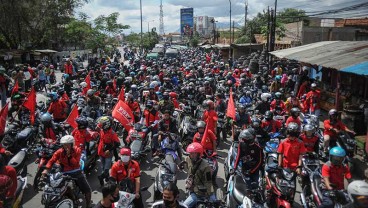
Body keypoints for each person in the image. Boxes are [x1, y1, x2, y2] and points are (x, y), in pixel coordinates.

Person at [42, 135, 92, 207]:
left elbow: (75, 163)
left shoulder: (77, 150)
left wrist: (70, 156)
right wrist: (46, 170)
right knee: (53, 186)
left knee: (87, 190)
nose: (65, 147)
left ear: (72, 144)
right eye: (64, 145)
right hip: (63, 172)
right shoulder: (59, 151)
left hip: (75, 171)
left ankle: (88, 204)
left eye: (67, 145)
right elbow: (52, 160)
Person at [181, 143, 216, 208]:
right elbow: (187, 169)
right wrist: (180, 167)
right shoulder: (188, 159)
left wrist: (207, 195)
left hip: (200, 193)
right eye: (190, 153)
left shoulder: (205, 166)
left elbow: (208, 182)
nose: (191, 155)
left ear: (199, 154)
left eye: (194, 153)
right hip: (191, 187)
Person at [97, 116, 120, 187]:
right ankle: (106, 178)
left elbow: (117, 143)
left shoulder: (112, 133)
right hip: (101, 152)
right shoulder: (102, 131)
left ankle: (101, 178)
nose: (100, 125)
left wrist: (109, 150)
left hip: (108, 154)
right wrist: (97, 143)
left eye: (102, 124)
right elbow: (100, 138)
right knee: (103, 167)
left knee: (106, 169)